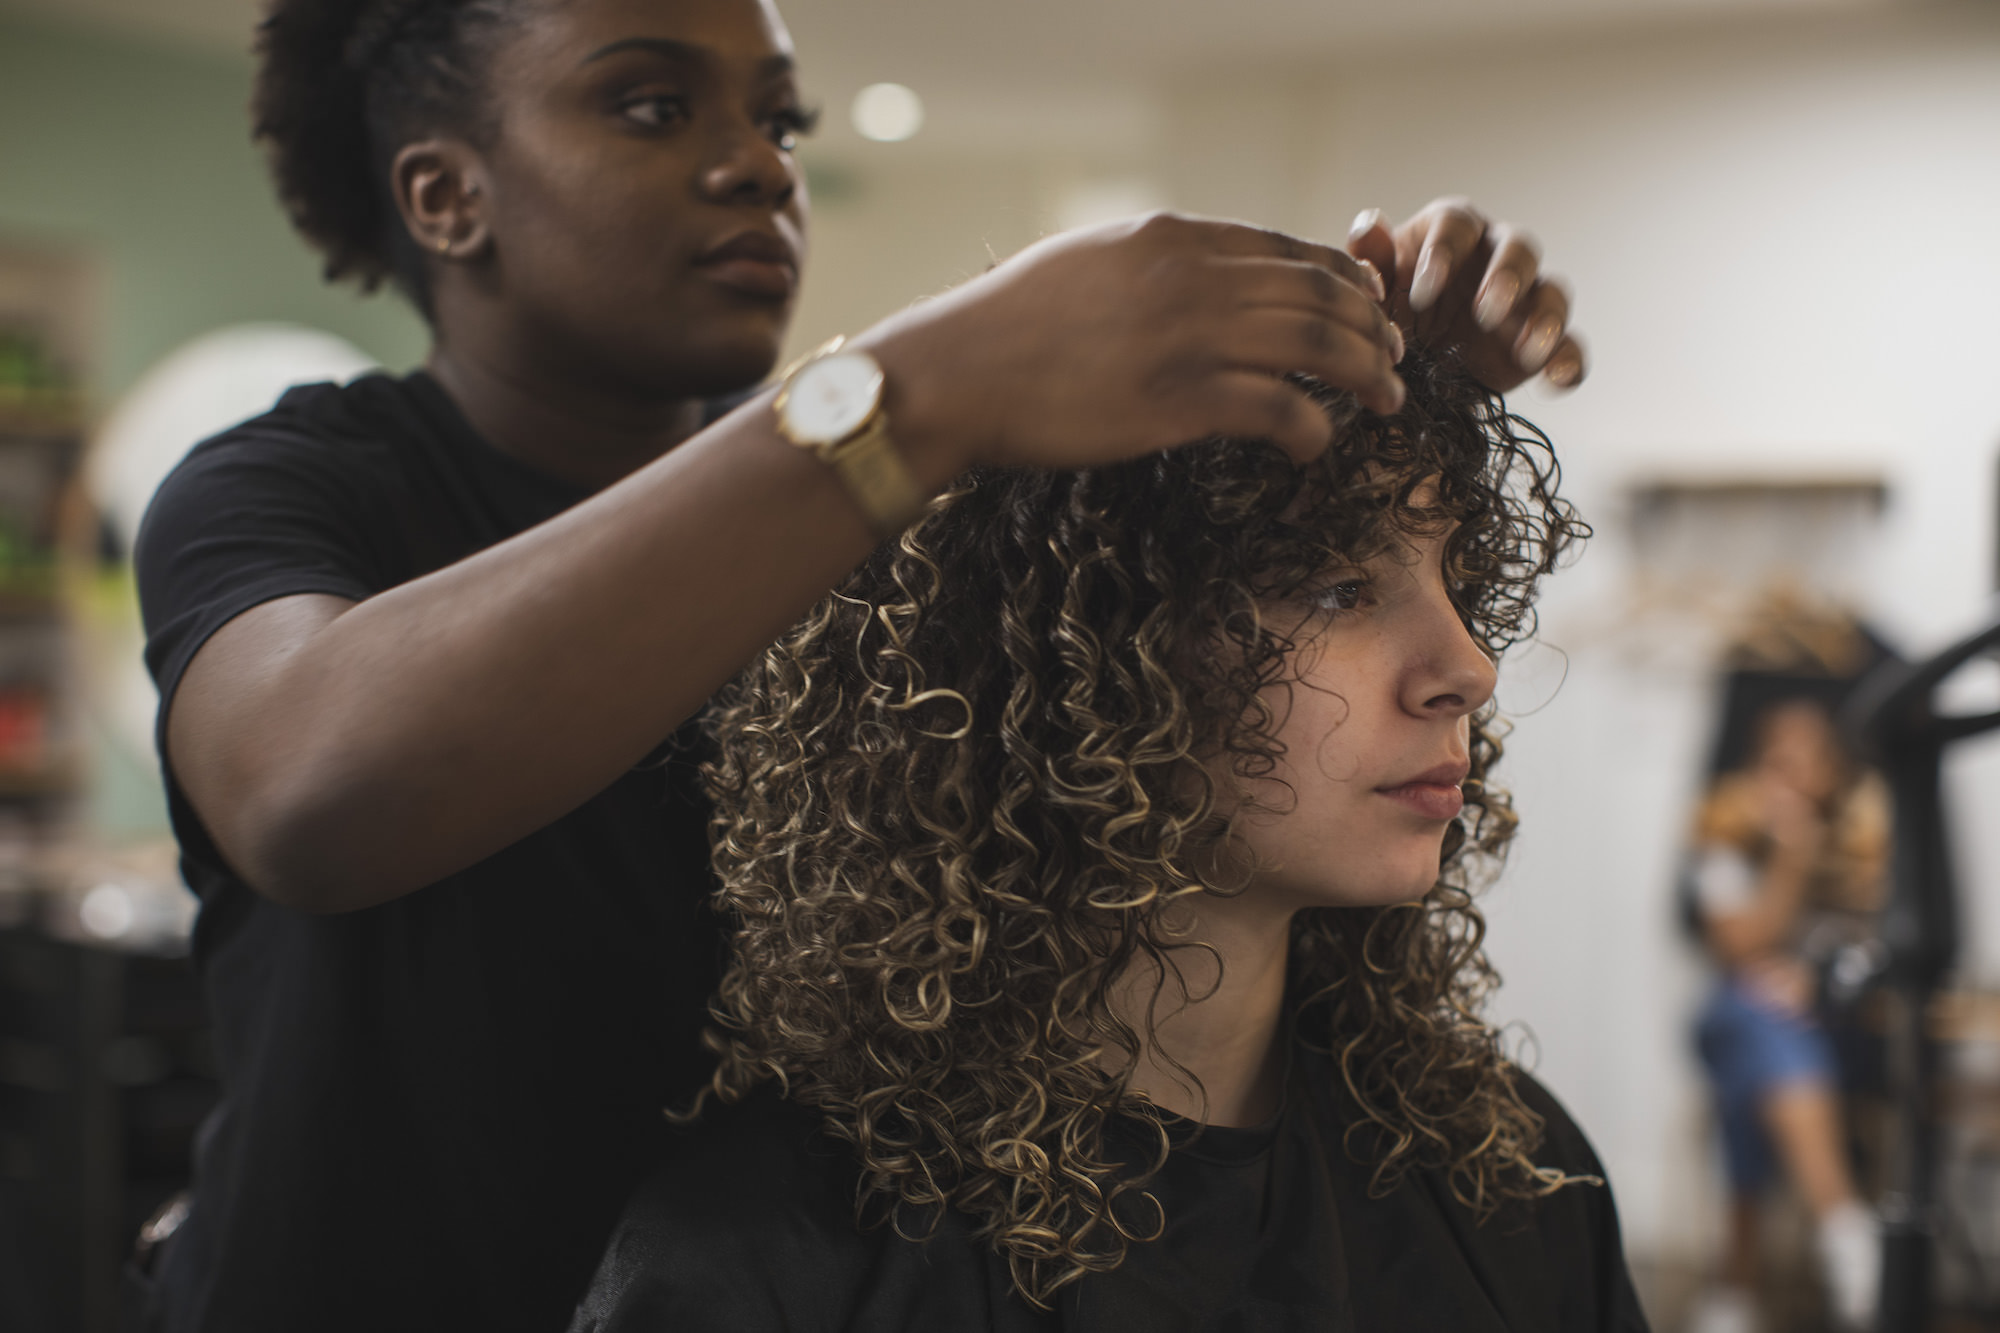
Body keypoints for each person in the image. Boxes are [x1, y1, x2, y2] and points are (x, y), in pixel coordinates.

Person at [132, 0, 1591, 1328]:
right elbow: (308, 790)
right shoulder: (298, 486)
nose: (760, 167)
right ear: (446, 193)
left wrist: (1366, 374)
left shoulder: (881, 508)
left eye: (780, 121)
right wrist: (927, 383)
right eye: (652, 106)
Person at [572, 343, 1646, 1331]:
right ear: (1074, 663)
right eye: (1337, 587)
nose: (1467, 668)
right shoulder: (770, 1256)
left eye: (1453, 583)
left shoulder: (1510, 1179)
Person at [1686, 698, 1887, 1333]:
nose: (1787, 778)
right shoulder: (1724, 842)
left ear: (1833, 772)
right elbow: (1738, 949)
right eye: (1774, 763)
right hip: (1733, 1014)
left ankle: (1734, 1288)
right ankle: (1846, 1228)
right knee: (1753, 1008)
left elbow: (1878, 961)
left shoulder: (1867, 847)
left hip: (1828, 1032)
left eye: (1803, 763)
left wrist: (1814, 984)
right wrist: (1790, 859)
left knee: (1751, 1072)